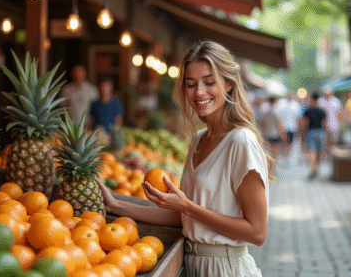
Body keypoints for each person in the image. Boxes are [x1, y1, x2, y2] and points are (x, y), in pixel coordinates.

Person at [95, 40, 273, 277]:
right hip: (193, 265)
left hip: (225, 268)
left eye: (209, 82)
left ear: (228, 84)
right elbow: (185, 218)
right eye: (191, 84)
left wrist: (187, 206)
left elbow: (257, 233)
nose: (199, 92)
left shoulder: (241, 142)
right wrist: (114, 204)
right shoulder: (197, 140)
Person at [300, 92, 328, 180]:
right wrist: (327, 134)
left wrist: (302, 134)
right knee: (319, 151)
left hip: (311, 131)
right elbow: (325, 124)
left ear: (312, 98)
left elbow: (304, 123)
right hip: (321, 132)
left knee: (311, 151)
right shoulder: (322, 111)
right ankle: (316, 167)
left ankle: (312, 169)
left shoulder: (308, 110)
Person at [317, 86, 343, 154]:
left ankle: (331, 154)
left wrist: (340, 123)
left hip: (334, 125)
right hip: (323, 126)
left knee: (334, 141)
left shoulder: (336, 101)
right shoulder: (320, 101)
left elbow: (339, 113)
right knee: (324, 141)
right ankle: (326, 154)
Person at [260, 96, 286, 161]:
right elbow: (279, 124)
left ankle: (270, 163)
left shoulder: (265, 112)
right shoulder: (277, 112)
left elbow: (263, 124)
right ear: (275, 101)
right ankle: (274, 164)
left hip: (267, 133)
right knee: (275, 151)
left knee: (268, 150)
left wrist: (262, 133)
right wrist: (283, 134)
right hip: (275, 134)